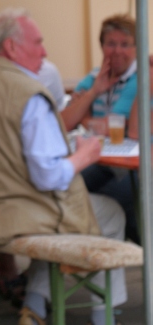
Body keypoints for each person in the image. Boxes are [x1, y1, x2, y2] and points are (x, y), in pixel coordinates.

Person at [0, 8, 126, 325]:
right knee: (109, 211)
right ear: (12, 47)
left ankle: (36, 305)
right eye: (38, 43)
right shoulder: (28, 94)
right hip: (12, 216)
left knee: (62, 213)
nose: (45, 52)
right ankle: (103, 316)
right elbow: (49, 177)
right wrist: (84, 156)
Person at [61, 14, 138, 243]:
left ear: (136, 48)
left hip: (132, 165)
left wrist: (85, 116)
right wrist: (95, 91)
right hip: (101, 160)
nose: (117, 51)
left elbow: (113, 126)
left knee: (118, 199)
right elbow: (63, 122)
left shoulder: (140, 78)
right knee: (66, 189)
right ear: (102, 46)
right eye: (111, 44)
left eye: (125, 44)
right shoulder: (96, 76)